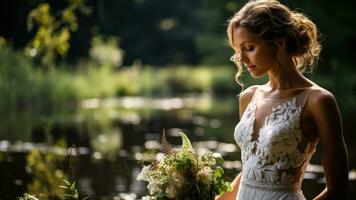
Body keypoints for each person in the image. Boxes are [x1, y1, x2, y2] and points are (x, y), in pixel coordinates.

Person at [215, 0, 349, 199]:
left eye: (249, 48)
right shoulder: (248, 97)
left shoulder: (318, 101)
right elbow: (249, 171)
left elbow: (337, 190)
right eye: (237, 50)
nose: (241, 58)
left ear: (279, 42)